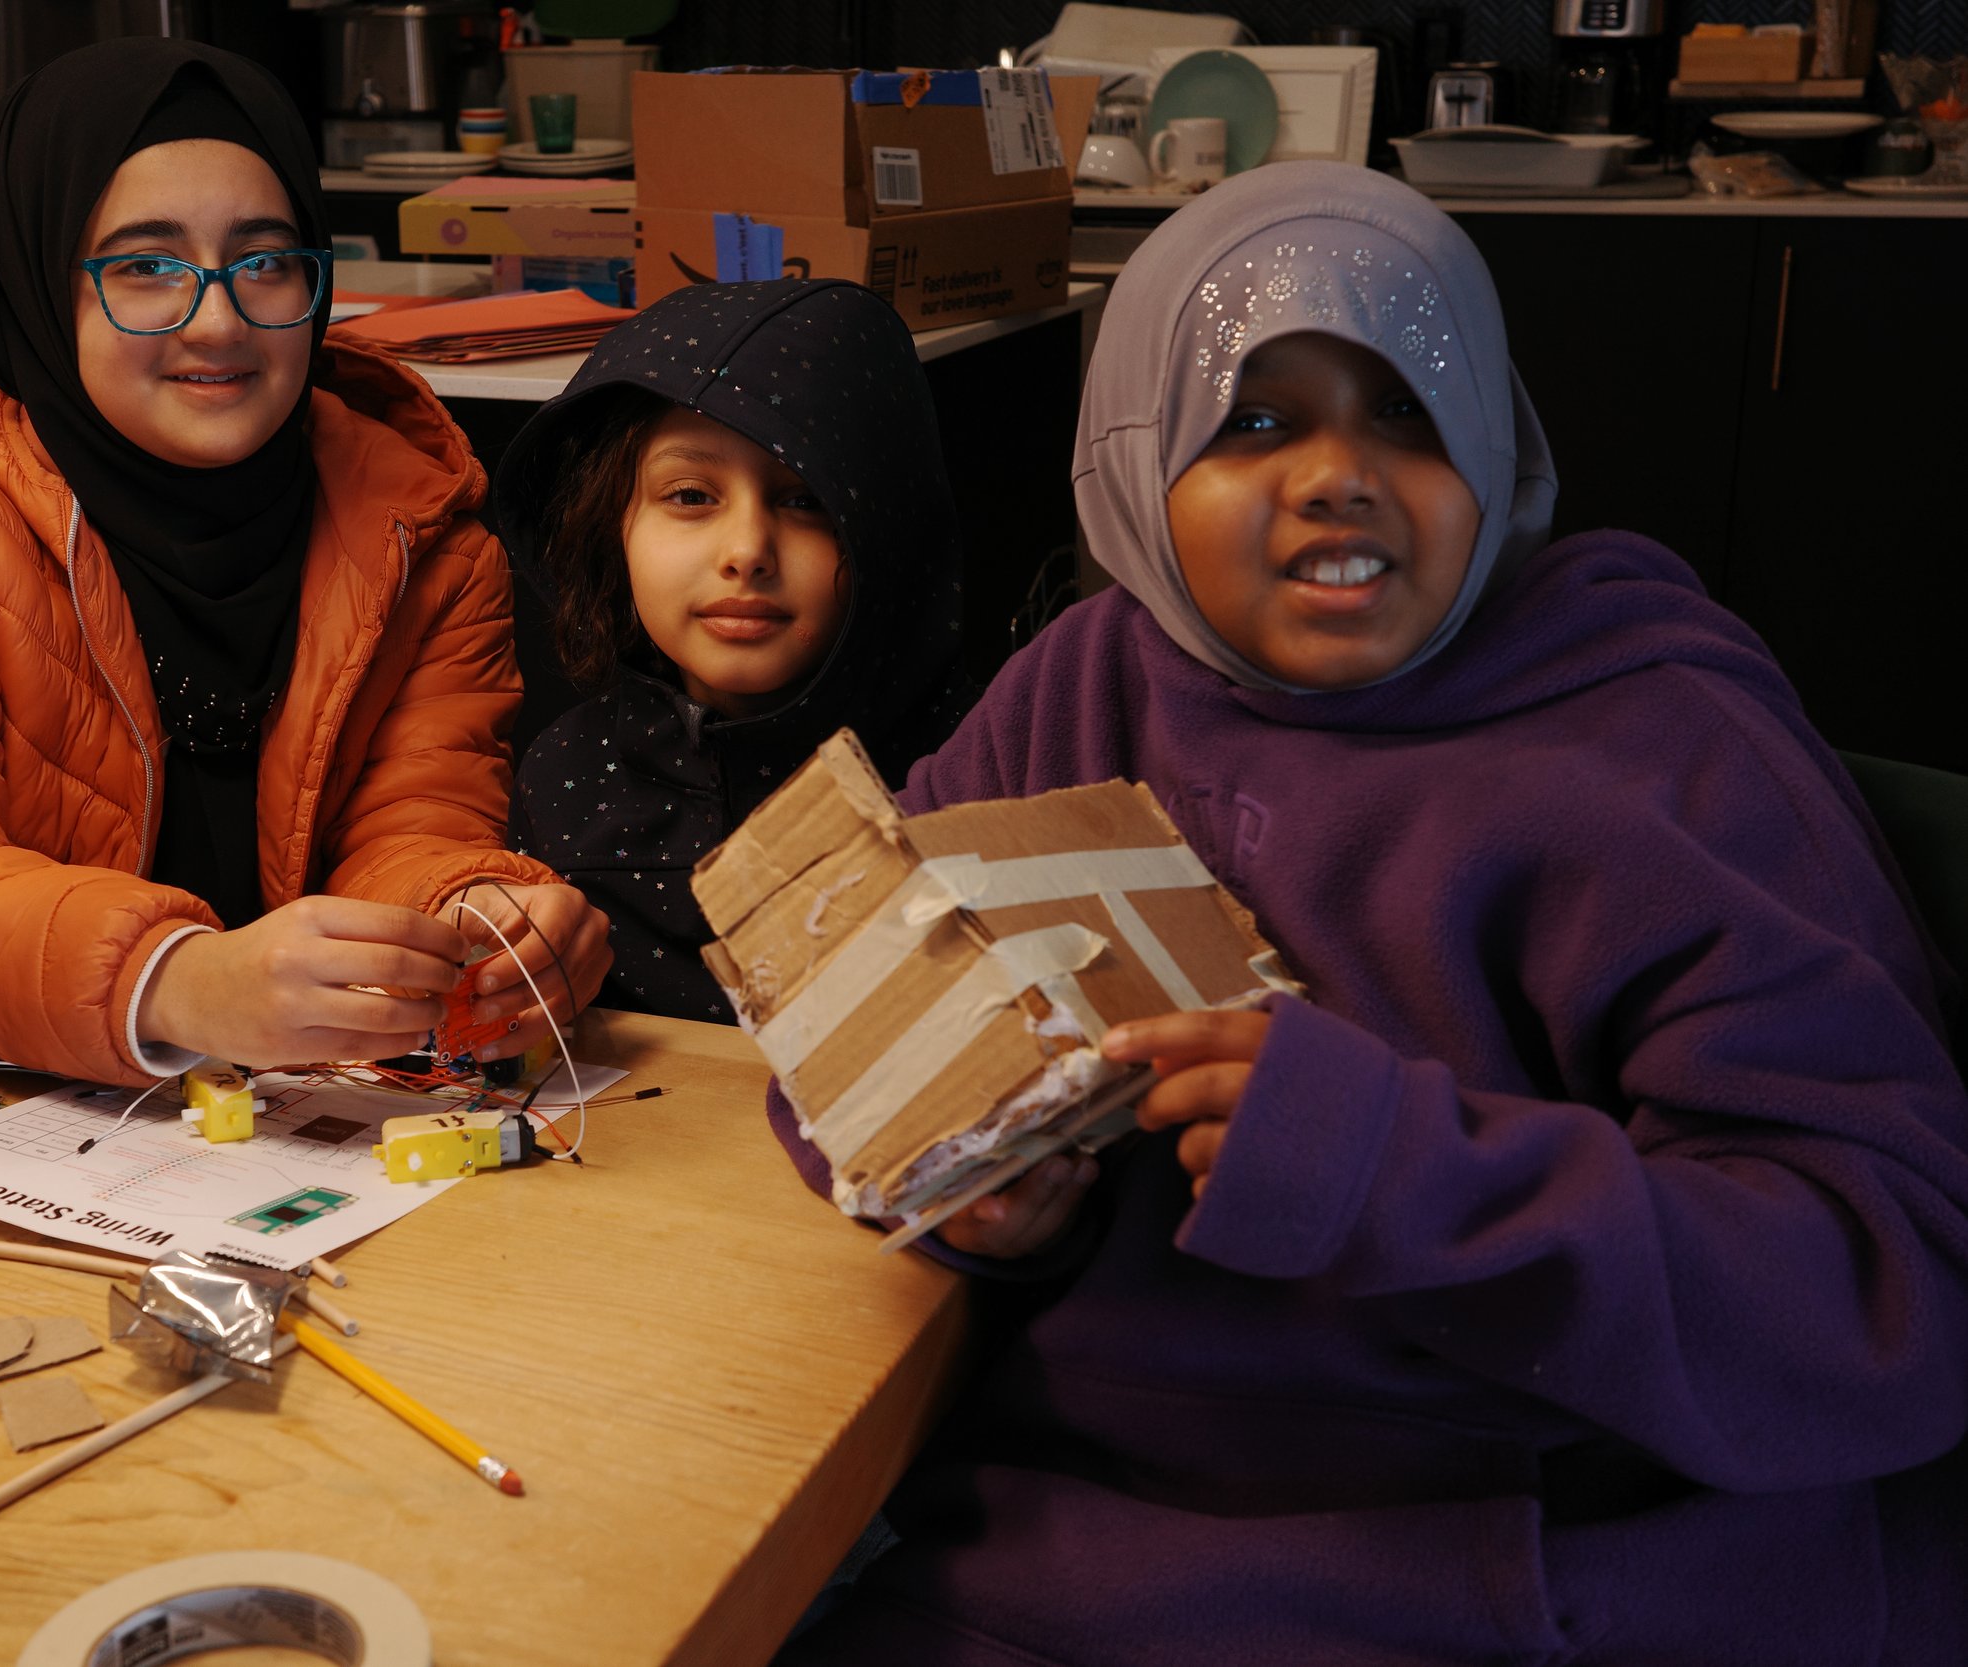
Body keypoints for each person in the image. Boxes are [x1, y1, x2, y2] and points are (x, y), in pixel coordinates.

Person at [774, 163, 1968, 1665]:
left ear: (1492, 438)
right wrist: (981, 1202)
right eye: (1254, 419)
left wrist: (1392, 1168)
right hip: (1069, 1548)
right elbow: (844, 1036)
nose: (1339, 474)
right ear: (1137, 453)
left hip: (1546, 1573)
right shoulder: (1077, 688)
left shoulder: (1666, 746)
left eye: (1407, 410)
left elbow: (1891, 1297)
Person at [0, 40, 607, 1087]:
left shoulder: (421, 529)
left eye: (265, 262)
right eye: (145, 265)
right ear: (37, 280)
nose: (219, 320)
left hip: (297, 1134)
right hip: (4, 1120)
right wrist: (169, 981)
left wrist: (471, 917)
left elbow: (414, 824)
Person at [492, 279, 976, 1021]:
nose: (746, 551)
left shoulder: (976, 771)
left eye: (805, 499)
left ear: (887, 528)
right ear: (608, 525)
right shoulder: (568, 777)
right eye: (691, 496)